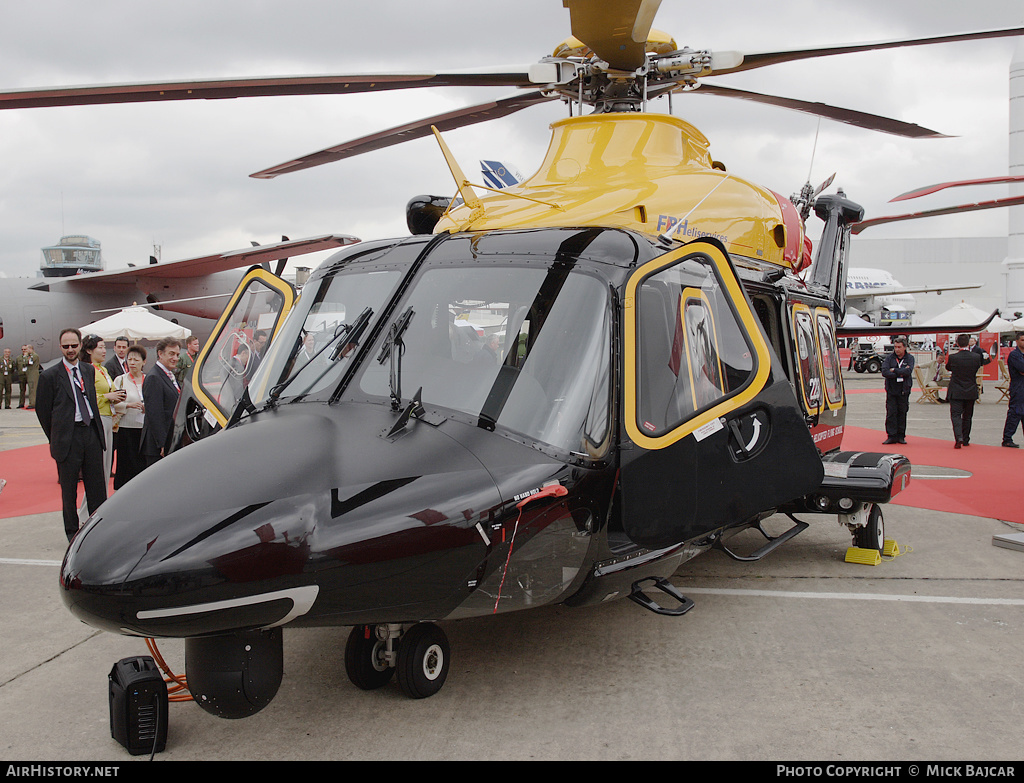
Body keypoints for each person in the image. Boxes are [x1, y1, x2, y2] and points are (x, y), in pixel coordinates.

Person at [35, 328, 107, 541]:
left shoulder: (88, 370)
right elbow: (43, 411)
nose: (70, 350)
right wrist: (57, 436)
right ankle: (71, 533)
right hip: (68, 438)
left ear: (80, 346)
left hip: (90, 432)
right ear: (60, 347)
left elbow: (91, 400)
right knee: (69, 491)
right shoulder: (49, 376)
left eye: (73, 346)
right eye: (65, 346)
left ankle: (98, 530)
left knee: (97, 487)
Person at [81, 334, 125, 487]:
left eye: (104, 347)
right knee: (98, 466)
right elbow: (84, 396)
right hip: (97, 418)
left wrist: (117, 397)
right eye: (100, 347)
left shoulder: (103, 370)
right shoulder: (86, 370)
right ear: (89, 350)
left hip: (109, 418)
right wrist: (107, 396)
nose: (104, 351)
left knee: (107, 465)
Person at [140, 338, 181, 466]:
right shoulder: (154, 377)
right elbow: (154, 413)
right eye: (171, 354)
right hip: (157, 446)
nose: (175, 358)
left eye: (177, 355)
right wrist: (162, 443)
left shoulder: (168, 375)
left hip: (168, 439)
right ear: (160, 354)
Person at [945, 333, 990, 448]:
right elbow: (978, 366)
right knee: (968, 416)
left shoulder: (953, 357)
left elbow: (948, 367)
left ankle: (958, 437)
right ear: (968, 342)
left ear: (957, 343)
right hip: (970, 389)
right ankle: (966, 439)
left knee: (955, 415)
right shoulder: (976, 357)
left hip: (956, 389)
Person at [112, 344, 148, 486]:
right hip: (126, 428)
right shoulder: (120, 380)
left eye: (136, 360)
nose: (132, 363)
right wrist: (128, 405)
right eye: (130, 360)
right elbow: (114, 404)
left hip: (144, 429)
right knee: (126, 465)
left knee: (143, 465)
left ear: (144, 362)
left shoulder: (149, 379)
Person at [880, 335, 914, 445]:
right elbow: (885, 372)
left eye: (899, 347)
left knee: (902, 412)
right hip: (892, 389)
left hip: (904, 390)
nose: (897, 349)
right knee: (891, 413)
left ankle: (901, 435)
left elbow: (908, 372)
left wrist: (894, 370)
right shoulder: (889, 358)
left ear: (904, 347)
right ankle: (891, 435)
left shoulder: (909, 358)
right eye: (895, 347)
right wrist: (900, 372)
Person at [1001, 332, 1024, 448]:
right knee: (1015, 413)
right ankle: (1007, 438)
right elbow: (1022, 368)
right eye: (1022, 340)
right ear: (1017, 341)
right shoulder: (1014, 355)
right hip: (1018, 388)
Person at [19, 344, 40, 409]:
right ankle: (32, 402)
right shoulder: (31, 356)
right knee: (31, 388)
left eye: (27, 349)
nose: (26, 351)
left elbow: (28, 362)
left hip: (33, 374)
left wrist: (25, 356)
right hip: (30, 374)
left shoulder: (34, 356)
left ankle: (33, 403)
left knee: (32, 389)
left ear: (30, 349)